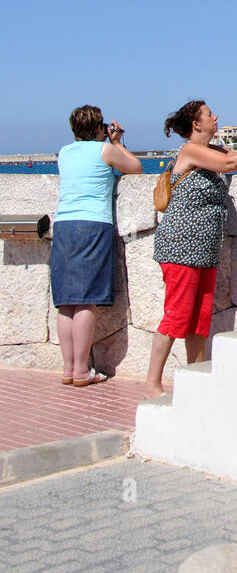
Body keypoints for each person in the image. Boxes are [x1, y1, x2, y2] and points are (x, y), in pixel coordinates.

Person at [144, 100, 237, 397]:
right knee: (176, 316)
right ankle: (152, 384)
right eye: (209, 114)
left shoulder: (215, 150)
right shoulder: (190, 150)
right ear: (196, 124)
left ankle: (194, 377)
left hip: (204, 247)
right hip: (180, 247)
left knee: (199, 318)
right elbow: (230, 166)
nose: (216, 117)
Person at [52, 106, 143, 386]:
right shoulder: (104, 150)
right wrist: (115, 142)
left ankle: (69, 369)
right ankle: (82, 369)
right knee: (86, 299)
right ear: (98, 128)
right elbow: (136, 169)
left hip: (63, 225)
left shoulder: (64, 153)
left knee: (66, 301)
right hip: (92, 224)